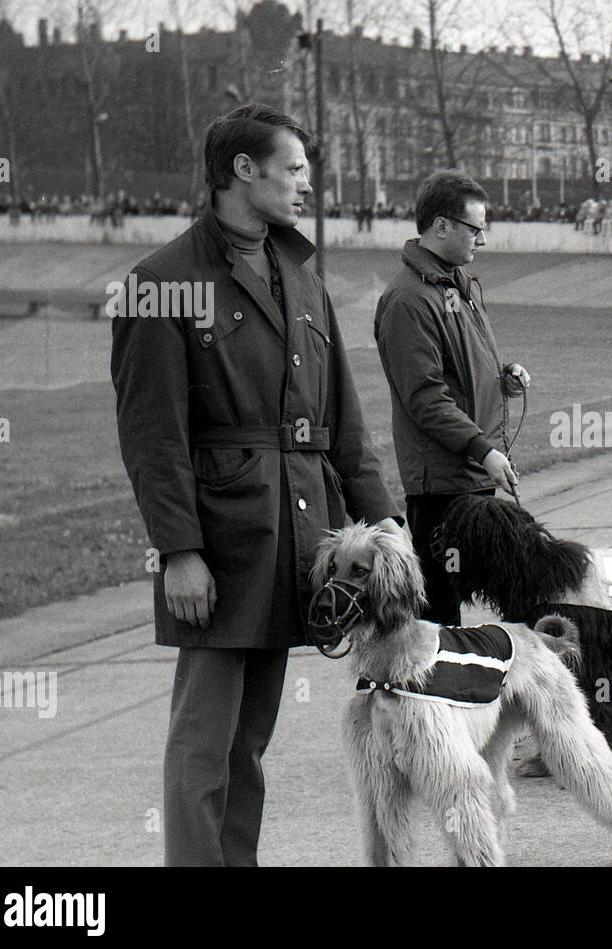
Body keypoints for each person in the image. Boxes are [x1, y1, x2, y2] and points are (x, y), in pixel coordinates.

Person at [111, 104, 404, 866]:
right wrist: (178, 550)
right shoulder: (161, 284)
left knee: (250, 740)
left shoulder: (301, 274)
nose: (309, 184)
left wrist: (383, 522)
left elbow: (343, 416)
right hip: (221, 539)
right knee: (203, 741)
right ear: (244, 170)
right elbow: (153, 434)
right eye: (296, 168)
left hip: (298, 536)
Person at [374, 170, 529, 626]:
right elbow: (425, 397)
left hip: (473, 475)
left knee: (509, 593)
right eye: (475, 228)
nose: (481, 239)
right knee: (436, 616)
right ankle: (420, 695)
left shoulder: (457, 284)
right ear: (441, 226)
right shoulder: (407, 299)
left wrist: (504, 377)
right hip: (442, 486)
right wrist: (483, 449)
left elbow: (461, 369)